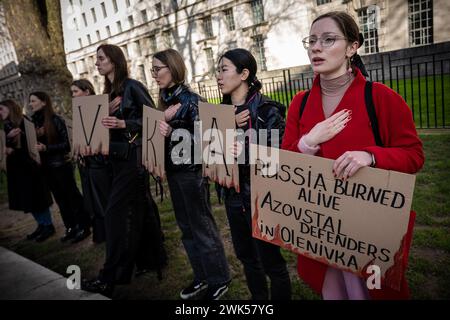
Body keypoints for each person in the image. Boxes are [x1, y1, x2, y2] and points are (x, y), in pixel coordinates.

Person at [281, 11, 424, 300]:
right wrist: (308, 142)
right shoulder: (300, 102)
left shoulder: (381, 97)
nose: (315, 47)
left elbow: (414, 155)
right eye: (311, 41)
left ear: (352, 47)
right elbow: (286, 162)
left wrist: (370, 156)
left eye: (328, 39)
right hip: (321, 229)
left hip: (367, 230)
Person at [82, 44, 166, 296]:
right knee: (141, 210)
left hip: (132, 160)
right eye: (96, 59)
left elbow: (154, 117)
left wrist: (124, 122)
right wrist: (103, 114)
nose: (96, 63)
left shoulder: (132, 86)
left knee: (115, 215)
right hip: (117, 161)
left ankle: (110, 276)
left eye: (100, 58)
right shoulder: (108, 93)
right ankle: (154, 259)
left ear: (114, 61)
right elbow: (98, 128)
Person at [153, 49, 231, 300]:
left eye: (158, 69)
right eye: (152, 69)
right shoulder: (164, 98)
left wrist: (171, 131)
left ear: (173, 68)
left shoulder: (190, 100)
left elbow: (208, 139)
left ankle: (219, 279)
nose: (154, 74)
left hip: (191, 174)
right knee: (186, 228)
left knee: (202, 227)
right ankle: (202, 277)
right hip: (175, 172)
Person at [216, 48, 292, 300]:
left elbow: (276, 161)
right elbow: (204, 155)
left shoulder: (269, 111)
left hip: (261, 198)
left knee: (271, 262)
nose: (218, 76)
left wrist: (241, 150)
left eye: (223, 69)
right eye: (218, 70)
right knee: (247, 258)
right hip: (233, 196)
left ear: (244, 73)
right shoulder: (218, 115)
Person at [30, 91, 92, 243]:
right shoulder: (33, 123)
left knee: (72, 196)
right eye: (30, 101)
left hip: (60, 165)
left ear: (44, 102)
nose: (31, 104)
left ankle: (84, 226)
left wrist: (47, 148)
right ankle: (71, 227)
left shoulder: (55, 120)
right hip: (46, 168)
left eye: (33, 101)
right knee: (60, 199)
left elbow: (66, 145)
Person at [0, 99, 54, 242]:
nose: (0, 113)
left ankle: (48, 225)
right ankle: (41, 225)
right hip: (16, 169)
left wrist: (16, 139)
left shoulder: (24, 122)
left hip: (29, 167)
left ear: (10, 109)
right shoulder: (4, 126)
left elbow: (31, 143)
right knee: (27, 199)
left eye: (1, 109)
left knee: (37, 197)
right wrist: (7, 141)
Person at [71, 79, 112, 243]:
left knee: (105, 200)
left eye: (75, 91)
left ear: (87, 91)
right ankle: (101, 233)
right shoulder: (80, 112)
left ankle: (111, 233)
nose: (73, 95)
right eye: (72, 92)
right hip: (87, 165)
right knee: (93, 202)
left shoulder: (99, 109)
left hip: (100, 164)